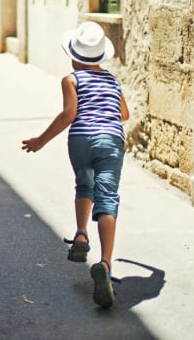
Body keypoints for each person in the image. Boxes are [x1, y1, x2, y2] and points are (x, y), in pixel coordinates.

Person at [22, 21, 129, 308]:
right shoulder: (113, 80)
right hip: (111, 141)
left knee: (84, 185)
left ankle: (81, 234)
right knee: (108, 198)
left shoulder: (71, 79)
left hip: (81, 140)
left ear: (74, 55)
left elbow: (70, 114)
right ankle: (105, 264)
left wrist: (41, 140)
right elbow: (124, 114)